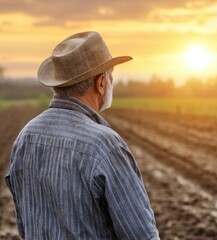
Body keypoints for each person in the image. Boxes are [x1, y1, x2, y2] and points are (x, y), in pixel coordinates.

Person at [5, 31, 159, 240]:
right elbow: (141, 236)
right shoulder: (105, 146)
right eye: (110, 76)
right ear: (101, 84)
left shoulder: (25, 137)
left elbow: (25, 226)